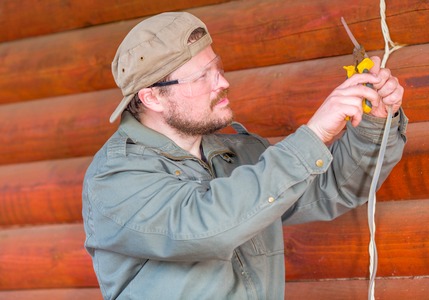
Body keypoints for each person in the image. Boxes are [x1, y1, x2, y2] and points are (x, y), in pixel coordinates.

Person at [82, 12, 407, 299]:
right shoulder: (114, 178)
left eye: (218, 68)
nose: (222, 82)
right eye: (202, 77)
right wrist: (315, 135)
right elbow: (204, 225)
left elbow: (332, 187)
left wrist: (376, 121)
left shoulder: (240, 153)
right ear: (152, 97)